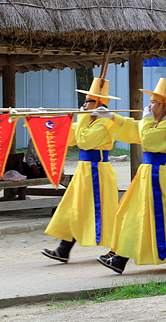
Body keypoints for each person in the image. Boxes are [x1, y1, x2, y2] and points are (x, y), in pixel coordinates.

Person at [94, 54, 166, 273]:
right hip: (146, 175)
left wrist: (146, 119)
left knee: (160, 217)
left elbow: (148, 140)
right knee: (129, 212)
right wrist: (111, 116)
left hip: (157, 177)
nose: (149, 105)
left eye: (153, 102)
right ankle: (119, 257)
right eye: (150, 101)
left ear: (164, 107)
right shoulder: (153, 122)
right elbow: (136, 130)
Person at [41, 67, 120, 263]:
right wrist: (45, 119)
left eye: (88, 102)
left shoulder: (104, 123)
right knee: (72, 208)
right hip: (85, 171)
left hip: (97, 172)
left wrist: (83, 116)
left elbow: (84, 140)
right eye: (84, 101)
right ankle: (63, 249)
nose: (83, 105)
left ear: (99, 104)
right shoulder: (88, 121)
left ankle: (118, 249)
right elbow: (67, 134)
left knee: (104, 212)